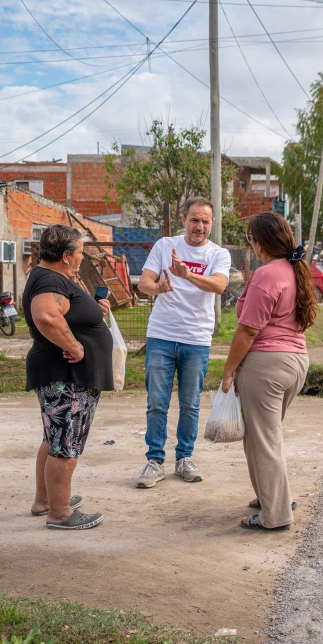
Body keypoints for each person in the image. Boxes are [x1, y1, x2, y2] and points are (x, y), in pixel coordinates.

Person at [221, 212, 317, 531]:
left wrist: (228, 371)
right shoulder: (295, 270)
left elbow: (248, 331)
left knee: (264, 440)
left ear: (259, 243)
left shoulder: (266, 275)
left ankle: (275, 515)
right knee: (264, 437)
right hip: (295, 361)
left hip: (266, 365)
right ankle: (270, 496)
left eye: (250, 239)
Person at [135, 197, 231, 488]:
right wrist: (158, 287)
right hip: (162, 335)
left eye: (205, 221)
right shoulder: (165, 245)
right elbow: (143, 282)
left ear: (212, 223)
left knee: (190, 404)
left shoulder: (219, 254)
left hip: (196, 339)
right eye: (194, 220)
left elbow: (219, 284)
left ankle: (183, 459)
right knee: (156, 403)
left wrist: (188, 274)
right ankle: (154, 461)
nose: (199, 226)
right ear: (183, 219)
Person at [24, 225, 113, 531]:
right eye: (80, 253)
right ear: (65, 256)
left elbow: (64, 312)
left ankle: (46, 500)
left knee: (54, 439)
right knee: (65, 444)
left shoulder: (53, 279)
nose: (81, 259)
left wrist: (94, 311)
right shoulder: (50, 280)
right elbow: (46, 315)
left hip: (64, 375)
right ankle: (60, 513)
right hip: (66, 376)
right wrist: (74, 346)